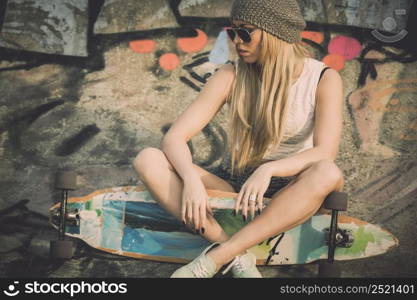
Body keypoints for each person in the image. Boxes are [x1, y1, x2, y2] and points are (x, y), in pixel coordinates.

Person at [133, 0, 344, 278]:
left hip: (295, 189)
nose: (236, 41)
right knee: (148, 159)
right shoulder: (232, 74)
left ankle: (213, 259)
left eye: (245, 32)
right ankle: (236, 253)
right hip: (239, 191)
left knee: (328, 172)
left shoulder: (322, 78)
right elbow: (174, 138)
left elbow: (325, 152)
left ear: (275, 32)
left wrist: (268, 169)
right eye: (232, 32)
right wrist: (191, 180)